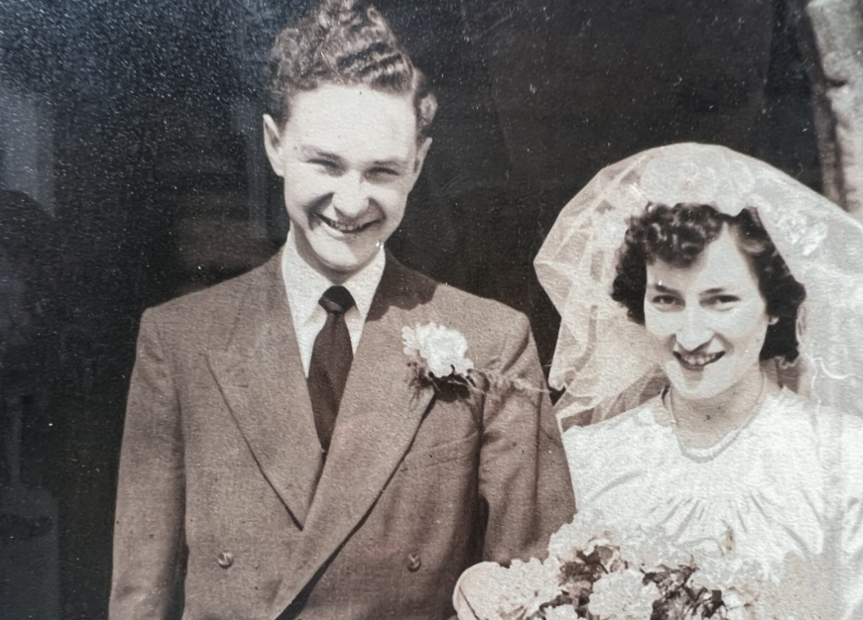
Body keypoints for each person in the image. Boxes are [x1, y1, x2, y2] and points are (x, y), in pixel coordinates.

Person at [109, 2, 574, 619]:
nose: (350, 202)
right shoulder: (181, 340)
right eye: (324, 163)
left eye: (381, 171)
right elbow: (140, 598)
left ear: (420, 163)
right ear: (275, 145)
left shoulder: (492, 340)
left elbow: (538, 591)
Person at [457, 143, 863, 619]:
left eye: (721, 301)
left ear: (774, 304)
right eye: (667, 301)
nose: (691, 335)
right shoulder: (588, 458)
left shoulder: (849, 457)